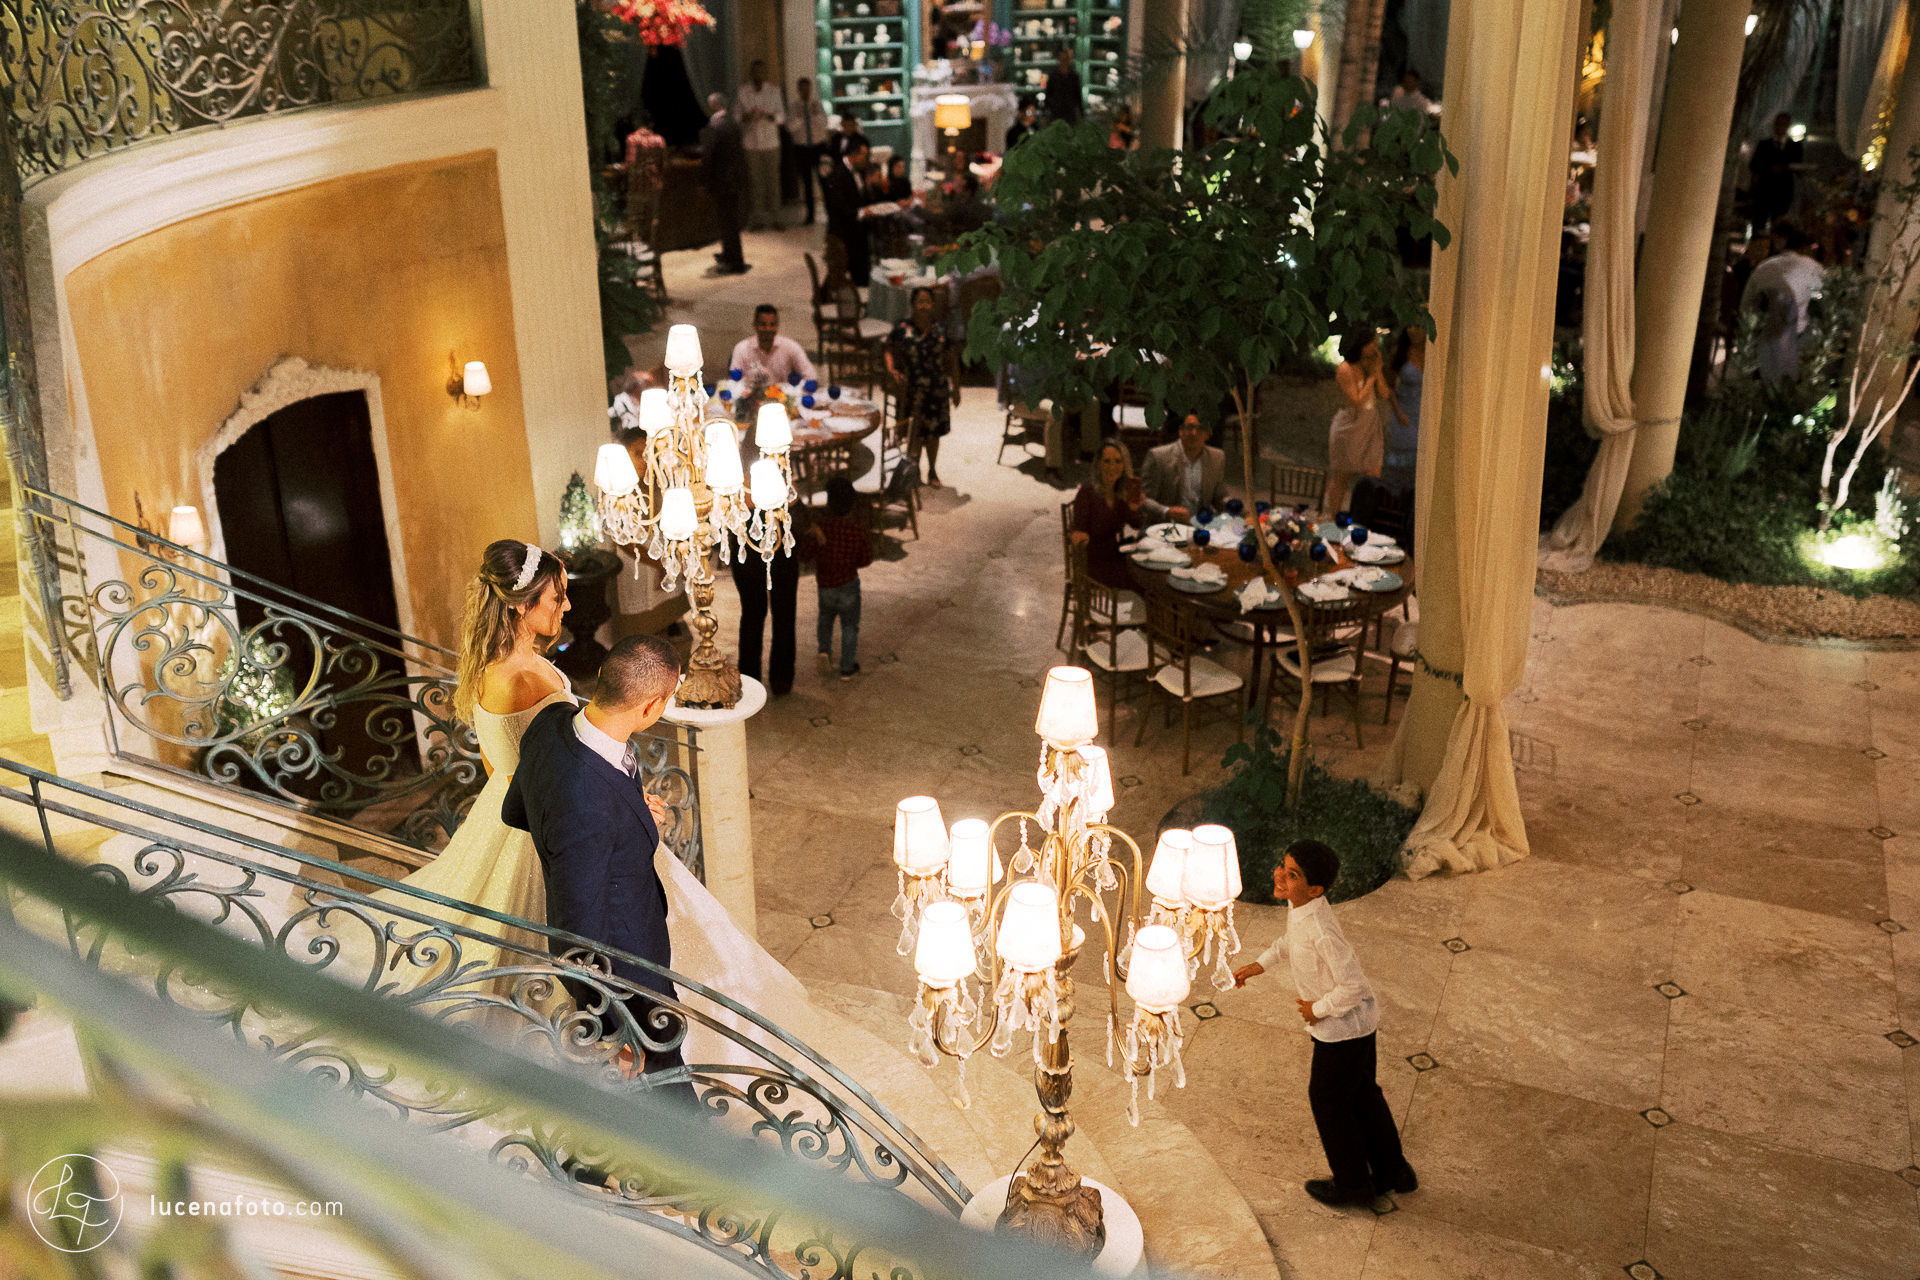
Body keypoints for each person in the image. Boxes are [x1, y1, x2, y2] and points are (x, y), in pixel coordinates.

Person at [371, 541, 573, 984]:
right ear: (520, 605)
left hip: (503, 802)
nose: (567, 605)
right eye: (558, 597)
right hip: (537, 818)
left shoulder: (494, 664)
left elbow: (492, 761)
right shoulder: (522, 680)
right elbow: (566, 766)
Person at [1232, 841, 1417, 1209]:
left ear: (1315, 889)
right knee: (1363, 1095)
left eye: (1292, 875)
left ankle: (1352, 1186)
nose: (1280, 876)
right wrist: (1258, 965)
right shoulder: (1302, 908)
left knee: (1328, 1102)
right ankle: (1394, 1171)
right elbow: (1289, 942)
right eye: (1282, 866)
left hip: (1342, 1031)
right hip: (1356, 1026)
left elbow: (1354, 986)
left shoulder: (1321, 930)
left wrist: (1317, 1009)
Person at [884, 286, 962, 487]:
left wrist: (956, 388)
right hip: (912, 390)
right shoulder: (902, 328)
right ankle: (914, 471)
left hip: (937, 391)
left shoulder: (941, 329)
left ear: (933, 305)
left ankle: (933, 470)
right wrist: (891, 369)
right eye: (920, 302)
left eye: (927, 302)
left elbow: (952, 359)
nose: (924, 306)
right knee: (915, 433)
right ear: (912, 305)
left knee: (934, 434)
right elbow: (888, 348)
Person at [1742, 224, 1825, 384]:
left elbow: (1746, 306)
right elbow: (1823, 303)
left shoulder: (1765, 266)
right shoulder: (1814, 268)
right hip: (1798, 341)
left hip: (1760, 340)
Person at [812, 476, 872, 680]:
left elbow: (808, 552)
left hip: (825, 584)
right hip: (848, 584)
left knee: (825, 619)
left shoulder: (821, 528)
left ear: (828, 503)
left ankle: (824, 651)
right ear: (852, 505)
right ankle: (847, 667)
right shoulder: (857, 531)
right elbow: (866, 559)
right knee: (849, 626)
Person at [1324, 329, 1387, 514]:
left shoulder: (1368, 366)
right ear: (1360, 344)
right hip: (1349, 425)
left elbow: (1384, 394)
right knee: (1342, 475)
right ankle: (1334, 517)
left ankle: (1365, 517)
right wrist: (1371, 377)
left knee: (1373, 473)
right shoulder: (1345, 368)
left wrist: (1378, 371)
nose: (1375, 347)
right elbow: (1356, 400)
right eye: (1372, 342)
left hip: (1370, 423)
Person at [1071, 441, 1148, 591]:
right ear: (1098, 464)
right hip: (1093, 564)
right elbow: (1078, 531)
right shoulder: (1087, 492)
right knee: (1145, 583)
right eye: (1107, 461)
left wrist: (1134, 508)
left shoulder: (1125, 489)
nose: (1112, 467)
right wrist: (1078, 537)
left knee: (1148, 574)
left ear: (1124, 465)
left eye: (1118, 461)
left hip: (1116, 555)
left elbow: (1137, 524)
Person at [1138, 414, 1229, 522]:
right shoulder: (1158, 457)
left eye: (1200, 429)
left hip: (1200, 524)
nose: (1194, 433)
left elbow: (1220, 496)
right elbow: (1143, 499)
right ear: (1181, 431)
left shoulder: (1217, 457)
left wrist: (1235, 507)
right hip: (1166, 524)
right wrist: (1166, 511)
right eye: (1190, 427)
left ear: (1207, 434)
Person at [700, 92, 751, 276]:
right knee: (731, 221)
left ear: (713, 106)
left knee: (726, 222)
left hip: (721, 181)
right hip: (734, 180)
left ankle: (734, 261)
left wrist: (704, 180)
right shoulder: (733, 124)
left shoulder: (714, 126)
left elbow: (709, 156)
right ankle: (729, 254)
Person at [736, 60, 785, 231]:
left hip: (771, 143)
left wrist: (767, 115)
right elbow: (736, 117)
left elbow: (782, 117)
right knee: (755, 182)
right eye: (755, 71)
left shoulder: (773, 91)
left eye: (761, 71)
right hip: (751, 144)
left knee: (773, 181)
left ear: (765, 73)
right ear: (751, 73)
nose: (758, 74)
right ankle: (758, 218)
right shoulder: (743, 91)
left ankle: (776, 217)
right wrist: (748, 116)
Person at [823, 137, 877, 289]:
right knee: (841, 275)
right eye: (864, 156)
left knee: (862, 276)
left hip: (858, 232)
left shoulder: (859, 171)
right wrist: (861, 213)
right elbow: (837, 207)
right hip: (845, 234)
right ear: (853, 155)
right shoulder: (837, 175)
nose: (866, 159)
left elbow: (861, 198)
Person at [728, 304, 817, 393]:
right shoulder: (741, 348)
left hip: (783, 397)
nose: (768, 329)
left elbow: (811, 377)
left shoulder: (791, 347)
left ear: (777, 326)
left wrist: (794, 390)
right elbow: (734, 382)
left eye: (772, 324)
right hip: (751, 397)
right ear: (754, 325)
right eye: (763, 324)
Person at [1381, 327, 1425, 491]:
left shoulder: (1432, 353)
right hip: (1404, 413)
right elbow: (1390, 386)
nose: (1414, 331)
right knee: (1403, 458)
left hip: (1423, 413)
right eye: (1411, 327)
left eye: (1418, 327)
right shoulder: (1400, 352)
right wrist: (1398, 412)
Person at [1749, 112, 1803, 232]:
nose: (1779, 127)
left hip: (1783, 192)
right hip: (1764, 190)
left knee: (1778, 225)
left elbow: (1798, 167)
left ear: (1787, 126)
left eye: (1783, 124)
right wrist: (1769, 169)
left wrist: (1785, 168)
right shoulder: (1764, 144)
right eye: (1778, 124)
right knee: (1759, 222)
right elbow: (1754, 165)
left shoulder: (1795, 146)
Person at [791, 78, 832, 226]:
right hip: (802, 149)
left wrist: (814, 114)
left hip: (818, 148)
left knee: (824, 181)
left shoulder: (817, 105)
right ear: (798, 90)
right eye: (802, 89)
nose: (806, 92)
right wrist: (801, 116)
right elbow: (790, 127)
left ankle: (830, 213)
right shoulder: (794, 107)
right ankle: (810, 216)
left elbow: (825, 123)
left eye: (807, 88)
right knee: (807, 183)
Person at [1045, 47, 1083, 125]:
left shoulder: (1074, 77)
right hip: (1056, 112)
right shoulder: (1053, 76)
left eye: (1066, 59)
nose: (1064, 61)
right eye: (1062, 59)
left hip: (1069, 113)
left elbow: (1078, 95)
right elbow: (1048, 94)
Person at [608, 371, 651, 438]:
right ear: (636, 386)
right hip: (628, 433)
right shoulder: (621, 399)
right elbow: (612, 413)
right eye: (643, 384)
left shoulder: (645, 399)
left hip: (643, 432)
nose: (645, 387)